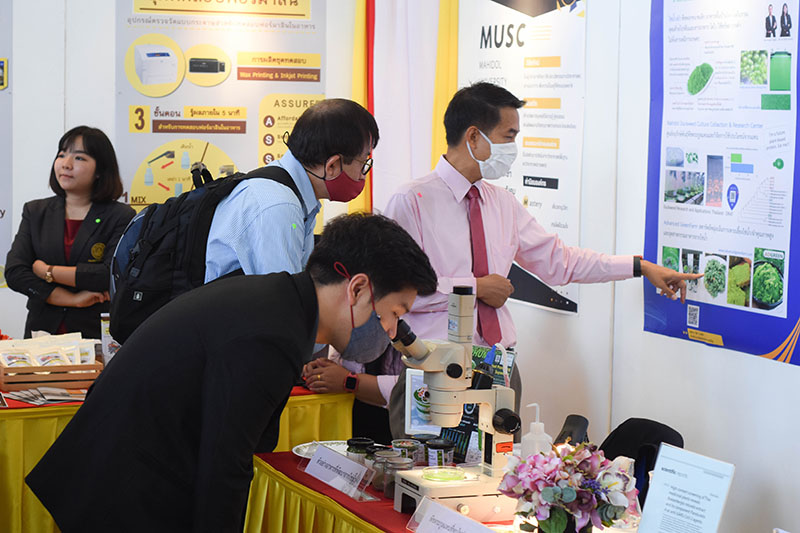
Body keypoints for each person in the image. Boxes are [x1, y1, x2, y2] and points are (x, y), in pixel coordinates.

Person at [25, 213, 438, 533]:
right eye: (393, 313)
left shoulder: (276, 301)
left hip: (121, 472)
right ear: (358, 289)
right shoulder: (272, 333)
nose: (391, 331)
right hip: (122, 488)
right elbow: (224, 462)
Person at [377, 82, 700, 438]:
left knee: (499, 471)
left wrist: (639, 266)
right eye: (509, 136)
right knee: (423, 469)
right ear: (474, 137)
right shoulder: (412, 201)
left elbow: (560, 262)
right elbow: (394, 294)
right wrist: (475, 288)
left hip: (498, 369)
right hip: (434, 371)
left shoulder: (501, 203)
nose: (513, 148)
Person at [205, 98, 378, 283]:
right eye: (363, 162)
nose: (363, 174)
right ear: (332, 165)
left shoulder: (292, 193)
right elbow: (281, 296)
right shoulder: (279, 207)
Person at [5, 126, 135, 338]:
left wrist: (47, 271)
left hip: (94, 332)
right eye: (61, 155)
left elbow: (108, 275)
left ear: (100, 170)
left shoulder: (121, 216)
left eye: (79, 158)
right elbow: (15, 272)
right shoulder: (35, 211)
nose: (66, 164)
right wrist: (70, 299)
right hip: (41, 332)